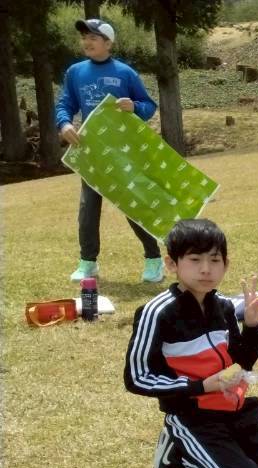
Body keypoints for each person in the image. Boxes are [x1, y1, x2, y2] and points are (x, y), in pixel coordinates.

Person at [124, 219, 258, 468]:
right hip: (194, 418)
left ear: (225, 265)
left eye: (214, 260)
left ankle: (227, 454)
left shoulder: (223, 307)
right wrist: (201, 386)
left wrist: (252, 327)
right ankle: (179, 452)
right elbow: (137, 377)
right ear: (172, 264)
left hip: (236, 411)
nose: (206, 269)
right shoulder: (157, 312)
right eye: (195, 260)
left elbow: (240, 363)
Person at [56, 18, 163, 284]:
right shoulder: (75, 72)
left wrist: (135, 107)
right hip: (92, 152)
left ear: (108, 43)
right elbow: (65, 104)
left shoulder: (125, 73)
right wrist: (65, 123)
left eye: (93, 37)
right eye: (84, 37)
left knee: (132, 205)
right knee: (88, 208)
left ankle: (154, 260)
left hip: (124, 152)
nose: (87, 42)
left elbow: (148, 106)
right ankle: (88, 262)